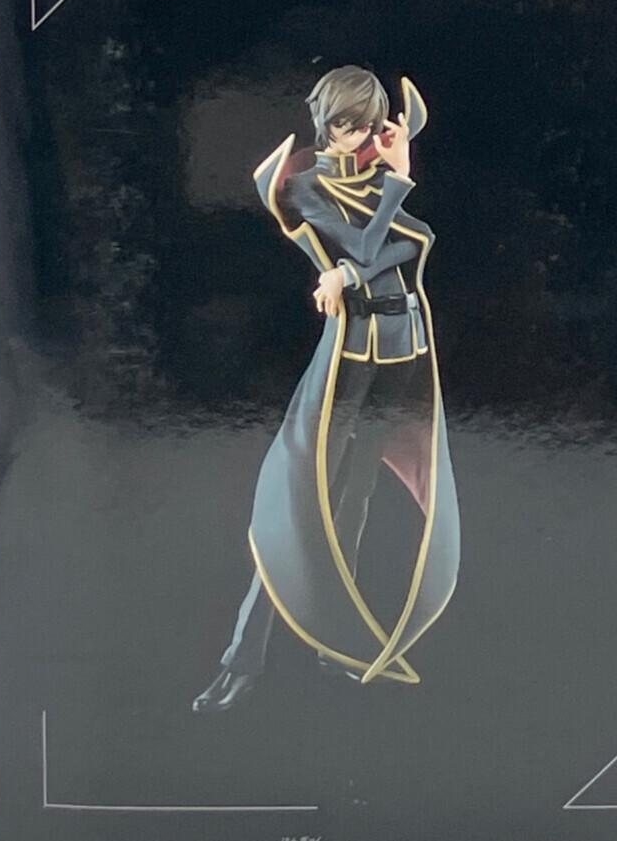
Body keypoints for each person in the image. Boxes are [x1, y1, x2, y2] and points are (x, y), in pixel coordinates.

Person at [192, 67, 461, 713]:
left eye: (366, 126)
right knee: (299, 502)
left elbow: (417, 240)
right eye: (344, 124)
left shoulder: (375, 178)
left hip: (400, 351)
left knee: (355, 502)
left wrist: (349, 269)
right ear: (325, 122)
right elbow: (369, 243)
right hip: (347, 361)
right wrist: (389, 197)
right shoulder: (305, 186)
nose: (355, 136)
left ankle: (337, 646)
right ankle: (241, 661)